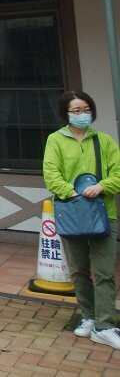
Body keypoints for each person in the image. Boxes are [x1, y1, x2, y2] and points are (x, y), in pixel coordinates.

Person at [43, 90, 120, 348]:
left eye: (85, 109)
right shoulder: (55, 140)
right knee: (78, 270)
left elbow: (118, 173)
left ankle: (105, 324)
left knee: (105, 272)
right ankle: (88, 316)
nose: (82, 114)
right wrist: (72, 193)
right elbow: (51, 174)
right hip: (71, 213)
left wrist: (102, 186)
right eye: (75, 111)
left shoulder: (104, 141)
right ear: (65, 113)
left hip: (103, 213)